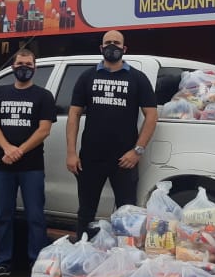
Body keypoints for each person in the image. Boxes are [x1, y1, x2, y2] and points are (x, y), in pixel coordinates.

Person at [66, 29, 158, 238]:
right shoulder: (87, 77)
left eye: (116, 43)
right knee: (86, 213)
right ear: (101, 48)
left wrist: (137, 151)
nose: (112, 46)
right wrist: (71, 152)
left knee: (127, 214)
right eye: (108, 42)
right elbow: (74, 115)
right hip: (90, 158)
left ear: (124, 49)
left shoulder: (137, 78)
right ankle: (82, 256)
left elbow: (151, 116)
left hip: (124, 159)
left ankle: (125, 259)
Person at [0, 48, 57, 277]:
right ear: (13, 66)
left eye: (28, 64)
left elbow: (44, 129)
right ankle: (2, 261)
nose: (24, 67)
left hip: (31, 167)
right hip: (3, 166)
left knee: (36, 217)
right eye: (20, 63)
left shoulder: (43, 96)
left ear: (34, 67)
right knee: (3, 216)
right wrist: (7, 148)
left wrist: (19, 151)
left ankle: (38, 264)